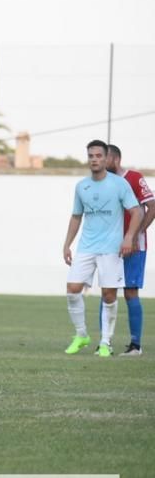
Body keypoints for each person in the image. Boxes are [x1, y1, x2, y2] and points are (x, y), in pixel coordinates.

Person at [62, 140, 141, 358]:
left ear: (106, 159)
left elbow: (137, 211)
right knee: (72, 288)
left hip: (111, 249)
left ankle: (106, 342)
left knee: (108, 295)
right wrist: (67, 244)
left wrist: (129, 237)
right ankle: (81, 335)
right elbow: (76, 216)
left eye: (98, 156)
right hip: (87, 246)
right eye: (91, 156)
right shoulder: (82, 186)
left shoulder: (119, 184)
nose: (94, 159)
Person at [104, 145, 155, 356]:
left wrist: (135, 235)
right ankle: (104, 343)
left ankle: (136, 345)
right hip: (109, 247)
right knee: (107, 291)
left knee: (130, 291)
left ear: (115, 159)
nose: (98, 163)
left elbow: (152, 206)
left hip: (134, 246)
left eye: (103, 158)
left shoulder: (134, 177)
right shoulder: (104, 183)